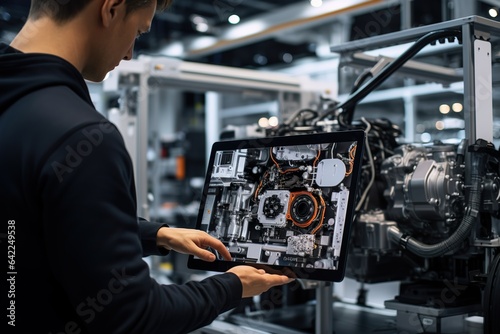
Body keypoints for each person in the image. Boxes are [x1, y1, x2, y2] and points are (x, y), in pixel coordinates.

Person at [0, 0, 292, 333]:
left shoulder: (16, 104)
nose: (128, 54)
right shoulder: (82, 137)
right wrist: (232, 286)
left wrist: (156, 235)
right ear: (110, 9)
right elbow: (134, 316)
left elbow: (32, 221)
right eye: (138, 31)